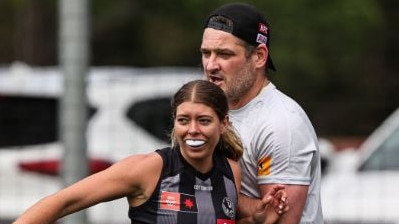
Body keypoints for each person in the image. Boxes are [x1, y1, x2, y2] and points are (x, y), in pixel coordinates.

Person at [13, 80, 288, 224]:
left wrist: (259, 214)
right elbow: (62, 202)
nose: (192, 130)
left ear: (223, 123)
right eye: (184, 120)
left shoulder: (231, 171)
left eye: (203, 120)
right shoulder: (149, 169)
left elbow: (232, 211)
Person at [201, 3, 323, 224]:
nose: (210, 65)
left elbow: (281, 219)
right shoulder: (208, 109)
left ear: (259, 56)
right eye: (206, 53)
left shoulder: (281, 124)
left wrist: (202, 188)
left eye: (224, 54)